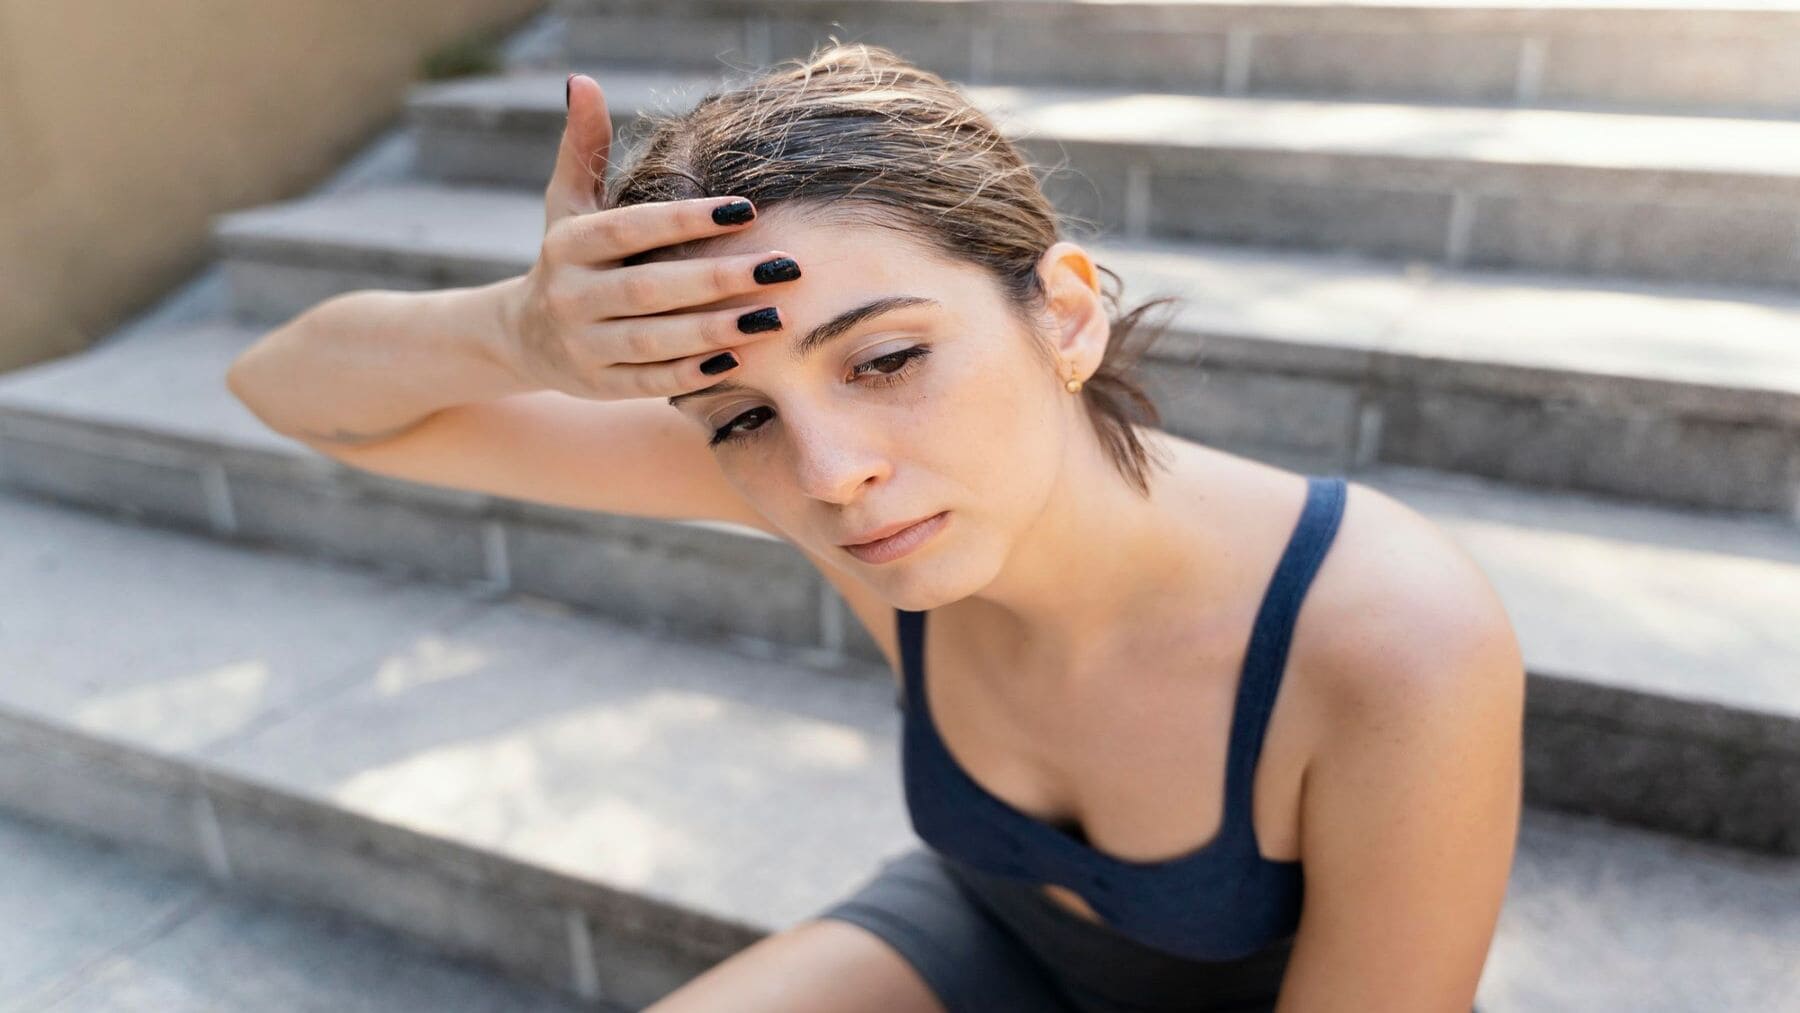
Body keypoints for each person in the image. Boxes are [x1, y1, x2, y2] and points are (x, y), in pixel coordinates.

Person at [228, 43, 1524, 1013]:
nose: (832, 474)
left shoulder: (1391, 641)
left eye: (889, 356)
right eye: (736, 416)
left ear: (1065, 314)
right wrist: (510, 330)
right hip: (983, 939)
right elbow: (291, 394)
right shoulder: (815, 467)